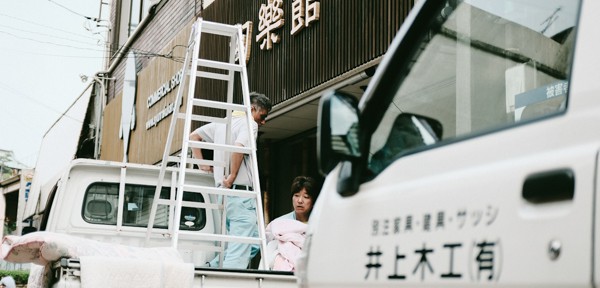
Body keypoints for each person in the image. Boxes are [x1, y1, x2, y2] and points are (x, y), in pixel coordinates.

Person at [190, 92, 272, 269]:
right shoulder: (249, 124)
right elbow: (238, 148)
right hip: (239, 193)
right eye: (262, 116)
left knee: (254, 240)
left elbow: (194, 136)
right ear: (252, 109)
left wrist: (202, 164)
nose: (263, 121)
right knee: (239, 250)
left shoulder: (222, 124)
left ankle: (211, 267)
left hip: (225, 195)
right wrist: (232, 175)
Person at [265, 176, 318, 271]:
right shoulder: (280, 223)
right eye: (296, 195)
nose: (300, 201)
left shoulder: (318, 224)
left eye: (306, 197)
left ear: (313, 201)